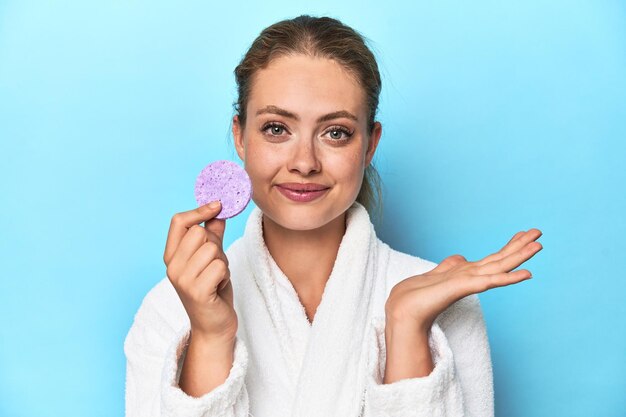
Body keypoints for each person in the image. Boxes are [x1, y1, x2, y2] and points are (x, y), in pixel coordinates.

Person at [124, 15, 543, 417]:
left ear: (370, 144)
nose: (304, 162)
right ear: (239, 135)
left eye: (335, 132)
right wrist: (211, 337)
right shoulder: (169, 312)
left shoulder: (444, 304)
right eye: (276, 128)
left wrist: (407, 328)